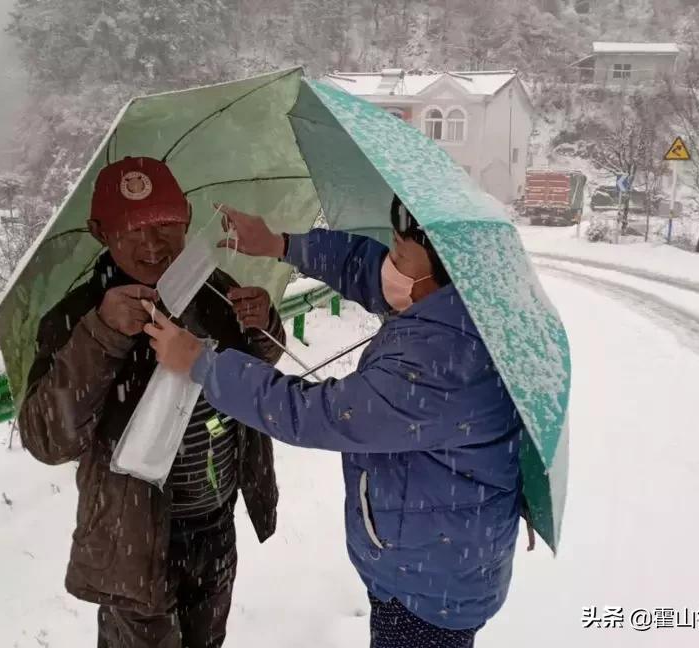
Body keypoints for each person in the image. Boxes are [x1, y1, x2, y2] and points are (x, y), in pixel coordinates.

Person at [143, 196, 523, 648]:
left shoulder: (442, 360)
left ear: (437, 276)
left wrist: (203, 364)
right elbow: (365, 268)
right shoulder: (460, 304)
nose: (388, 264)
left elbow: (314, 414)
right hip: (433, 551)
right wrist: (280, 244)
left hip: (428, 592)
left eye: (400, 256)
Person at [18, 156, 285, 648]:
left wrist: (264, 326)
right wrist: (100, 336)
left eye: (164, 224)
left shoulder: (213, 289)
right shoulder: (77, 317)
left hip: (215, 525)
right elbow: (49, 440)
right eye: (131, 230)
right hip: (134, 543)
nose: (152, 243)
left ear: (186, 215)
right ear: (101, 233)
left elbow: (257, 375)